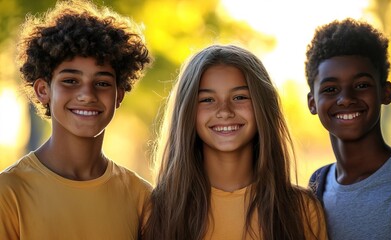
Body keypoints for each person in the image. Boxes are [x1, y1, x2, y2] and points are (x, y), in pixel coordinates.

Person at [142, 44, 327, 240]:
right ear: (187, 111)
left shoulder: (301, 210)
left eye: (239, 97)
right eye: (207, 100)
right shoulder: (159, 210)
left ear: (262, 106)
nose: (224, 111)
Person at [0, 0, 152, 239]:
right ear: (43, 91)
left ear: (118, 95)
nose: (87, 95)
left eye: (102, 83)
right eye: (70, 81)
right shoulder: (9, 193)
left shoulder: (142, 198)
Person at [305, 18, 391, 239]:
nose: (346, 99)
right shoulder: (316, 187)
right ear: (312, 103)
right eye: (331, 89)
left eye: (361, 85)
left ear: (386, 92)